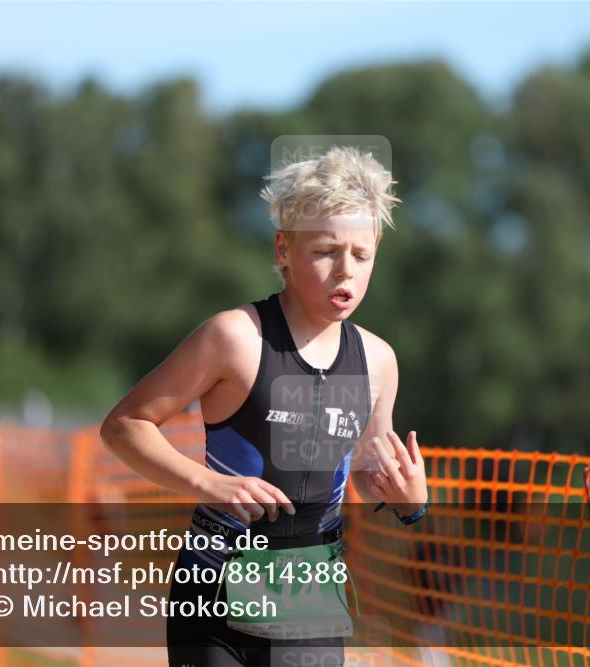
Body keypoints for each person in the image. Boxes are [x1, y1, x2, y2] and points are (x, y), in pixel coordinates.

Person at [100, 146, 429, 667]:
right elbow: (124, 425)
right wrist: (210, 484)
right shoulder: (234, 338)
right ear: (284, 249)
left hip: (308, 597)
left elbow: (367, 473)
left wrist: (408, 499)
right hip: (213, 588)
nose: (345, 271)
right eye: (325, 251)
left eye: (361, 255)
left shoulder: (378, 362)